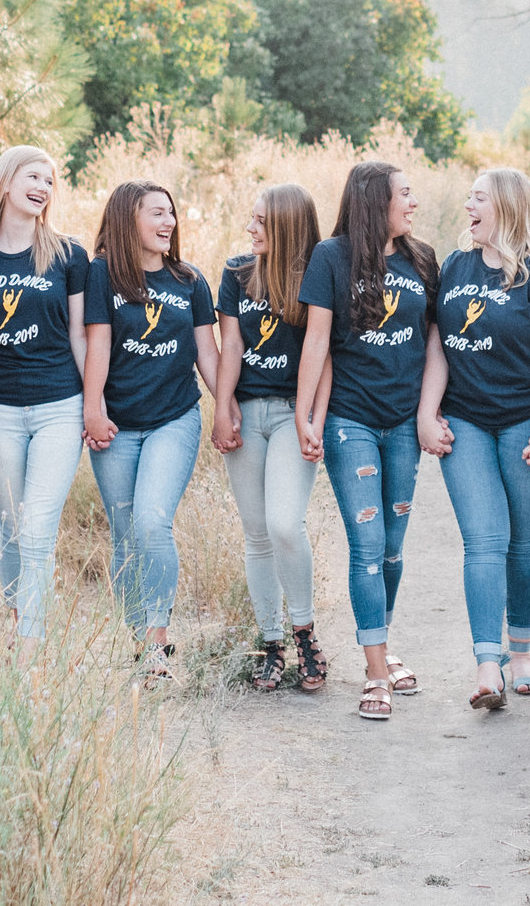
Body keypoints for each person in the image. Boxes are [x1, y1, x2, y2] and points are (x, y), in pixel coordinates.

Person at [420, 168, 530, 710]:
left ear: (508, 207)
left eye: (479, 198)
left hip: (526, 422)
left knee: (524, 541)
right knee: (484, 540)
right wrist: (427, 413)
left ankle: (522, 653)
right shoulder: (455, 265)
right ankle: (488, 665)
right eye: (468, 197)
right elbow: (439, 345)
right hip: (465, 421)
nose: (468, 206)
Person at [296, 160, 438, 722]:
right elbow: (317, 341)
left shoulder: (422, 259)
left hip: (403, 422)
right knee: (368, 543)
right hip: (350, 420)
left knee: (393, 548)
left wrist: (428, 413)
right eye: (405, 193)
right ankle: (376, 671)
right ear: (377, 200)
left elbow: (434, 340)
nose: (413, 202)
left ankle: (380, 641)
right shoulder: (331, 257)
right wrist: (307, 414)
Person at [81, 179, 219, 684]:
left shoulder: (189, 281)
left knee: (151, 523)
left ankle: (158, 642)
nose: (169, 222)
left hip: (174, 418)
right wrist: (92, 410)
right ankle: (140, 643)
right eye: (156, 213)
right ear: (128, 220)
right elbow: (97, 345)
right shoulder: (102, 275)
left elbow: (208, 354)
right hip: (116, 426)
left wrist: (226, 408)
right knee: (124, 534)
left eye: (170, 213)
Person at [0, 145, 91, 642]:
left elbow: (81, 335)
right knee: (13, 526)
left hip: (59, 407)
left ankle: (31, 644)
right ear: (5, 181)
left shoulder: (69, 255)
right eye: (33, 177)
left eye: (49, 180)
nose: (43, 187)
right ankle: (19, 620)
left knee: (38, 527)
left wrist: (94, 405)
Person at [215, 183, 328, 692]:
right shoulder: (237, 273)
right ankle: (271, 642)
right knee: (257, 532)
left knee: (284, 524)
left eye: (261, 220)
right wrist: (222, 407)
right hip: (247, 412)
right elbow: (231, 344)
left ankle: (304, 631)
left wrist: (312, 418)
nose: (250, 228)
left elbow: (325, 355)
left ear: (286, 225)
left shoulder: (316, 278)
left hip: (289, 414)